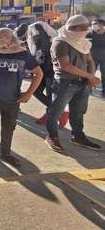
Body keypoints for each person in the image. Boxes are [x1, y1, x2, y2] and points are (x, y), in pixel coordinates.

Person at [0, 28, 43, 167]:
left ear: (10, 39)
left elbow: (38, 74)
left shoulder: (23, 55)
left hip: (12, 100)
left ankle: (6, 154)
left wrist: (29, 93)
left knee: (8, 128)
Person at [44, 15, 101, 152]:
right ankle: (52, 136)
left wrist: (90, 78)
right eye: (83, 28)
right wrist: (89, 76)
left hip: (82, 83)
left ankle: (78, 136)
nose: (86, 31)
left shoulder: (82, 42)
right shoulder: (60, 42)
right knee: (55, 112)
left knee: (78, 112)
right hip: (65, 83)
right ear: (73, 28)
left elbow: (90, 61)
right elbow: (66, 66)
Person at [26, 21, 69, 126]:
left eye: (37, 34)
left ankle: (51, 115)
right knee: (35, 91)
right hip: (41, 72)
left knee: (51, 95)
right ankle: (60, 112)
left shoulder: (55, 43)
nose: (35, 37)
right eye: (33, 35)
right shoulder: (36, 45)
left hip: (51, 72)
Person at [87, 18, 105, 97]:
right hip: (92, 58)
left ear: (101, 25)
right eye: (92, 24)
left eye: (95, 24)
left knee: (104, 74)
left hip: (104, 58)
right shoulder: (89, 33)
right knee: (91, 73)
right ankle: (88, 89)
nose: (93, 26)